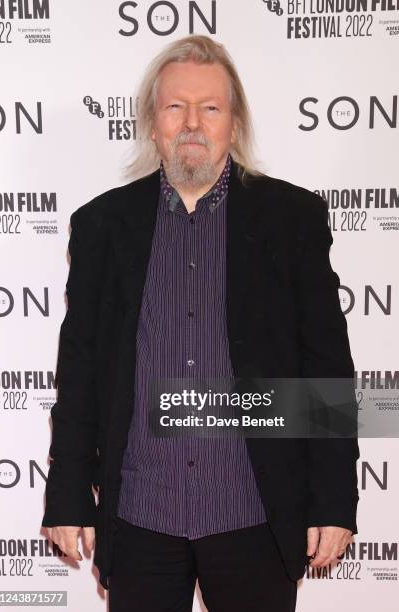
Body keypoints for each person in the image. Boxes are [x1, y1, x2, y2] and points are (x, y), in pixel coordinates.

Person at [41, 34, 360, 612]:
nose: (192, 122)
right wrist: (67, 498)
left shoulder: (292, 221)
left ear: (233, 122)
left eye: (210, 107)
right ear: (153, 123)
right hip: (141, 517)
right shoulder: (102, 227)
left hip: (254, 513)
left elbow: (326, 368)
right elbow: (82, 369)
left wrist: (334, 502)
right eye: (175, 107)